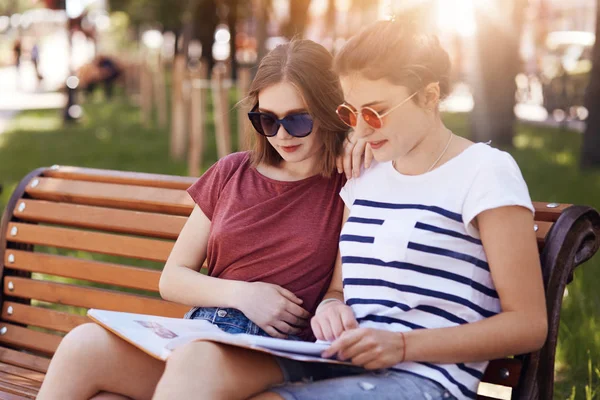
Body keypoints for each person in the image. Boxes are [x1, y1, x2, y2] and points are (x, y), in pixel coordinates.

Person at [137, 19, 548, 400]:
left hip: (424, 376)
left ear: (429, 95)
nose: (363, 129)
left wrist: (402, 345)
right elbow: (337, 289)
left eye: (376, 111)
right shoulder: (365, 175)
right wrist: (332, 306)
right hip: (335, 360)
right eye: (352, 114)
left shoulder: (485, 172)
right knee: (196, 366)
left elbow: (528, 325)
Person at [36, 39, 354, 400]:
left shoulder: (346, 185)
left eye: (298, 119)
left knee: (193, 366)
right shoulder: (232, 172)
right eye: (267, 119)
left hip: (272, 354)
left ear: (329, 110)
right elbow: (172, 278)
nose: (281, 135)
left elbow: (336, 289)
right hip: (200, 333)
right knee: (84, 345)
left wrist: (356, 139)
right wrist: (243, 294)